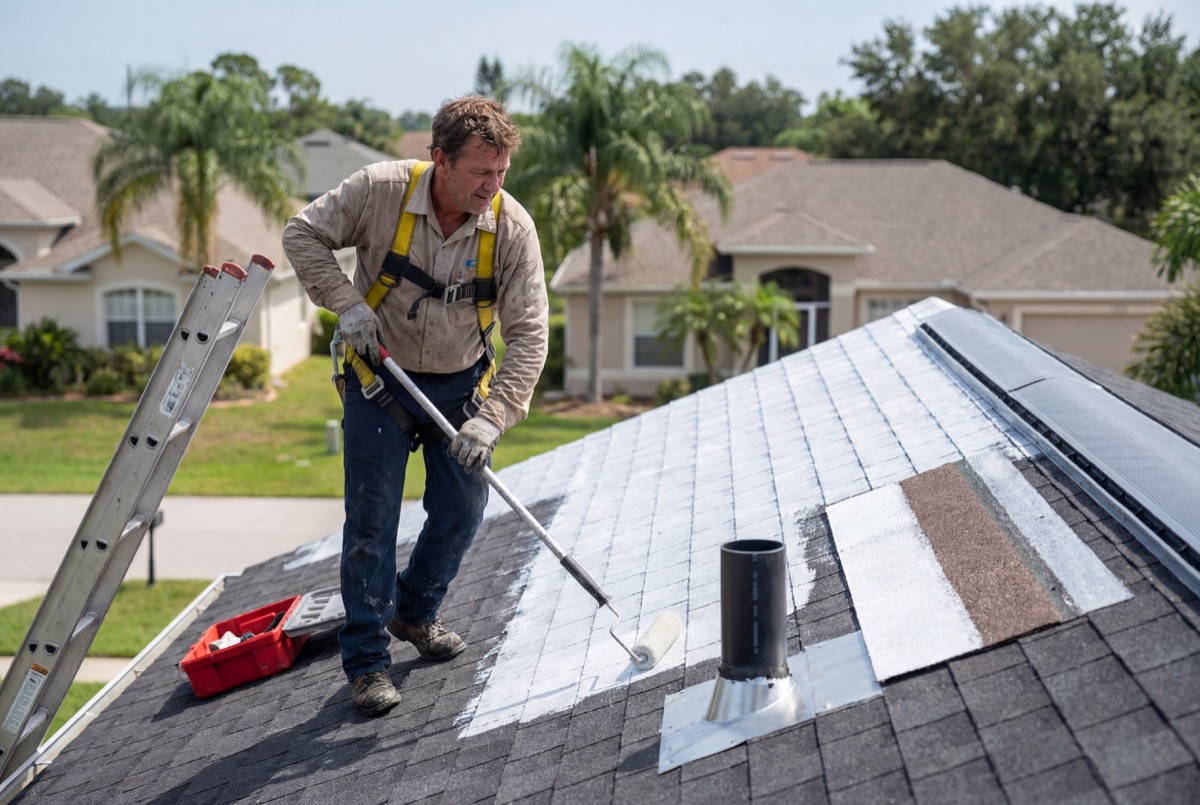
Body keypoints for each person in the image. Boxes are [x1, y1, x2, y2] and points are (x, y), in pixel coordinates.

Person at [282, 95, 548, 717]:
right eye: (481, 171)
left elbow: (531, 333)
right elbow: (303, 234)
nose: (493, 185)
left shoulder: (511, 228)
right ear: (439, 161)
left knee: (462, 507)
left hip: (460, 387)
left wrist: (492, 416)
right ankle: (368, 662)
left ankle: (415, 613)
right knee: (371, 523)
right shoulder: (379, 191)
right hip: (380, 380)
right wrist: (346, 303)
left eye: (502, 171)